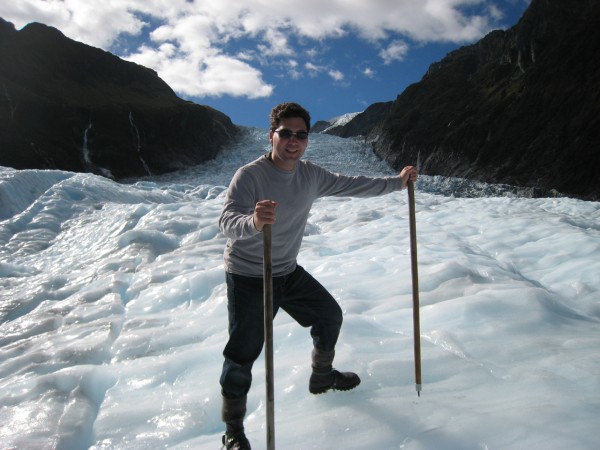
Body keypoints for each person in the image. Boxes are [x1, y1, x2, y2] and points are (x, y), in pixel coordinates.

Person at [218, 102, 418, 449]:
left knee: (329, 316)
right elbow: (226, 222)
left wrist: (397, 184)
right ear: (271, 136)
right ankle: (233, 429)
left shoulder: (310, 175)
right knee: (243, 352)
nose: (293, 140)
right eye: (286, 133)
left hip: (286, 271)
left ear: (307, 140)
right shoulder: (249, 176)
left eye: (300, 135)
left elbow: (352, 183)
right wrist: (253, 221)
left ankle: (322, 377)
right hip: (250, 276)